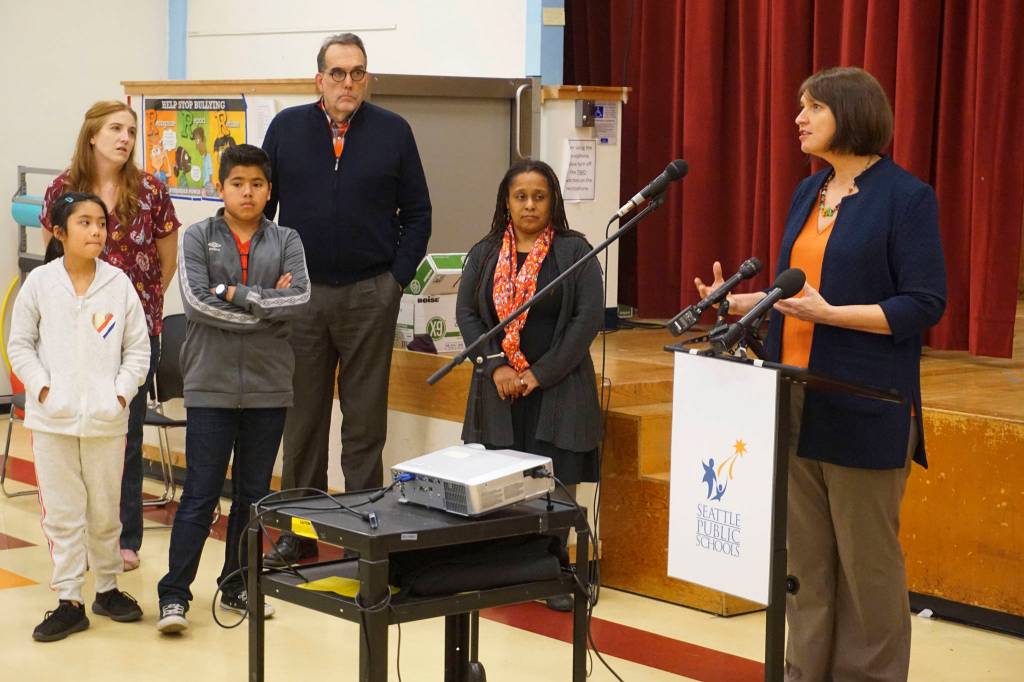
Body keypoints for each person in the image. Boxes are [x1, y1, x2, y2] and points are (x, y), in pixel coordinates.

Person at [695, 67, 946, 681]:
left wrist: (832, 315)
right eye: (799, 107)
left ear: (851, 113)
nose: (799, 119)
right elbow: (796, 288)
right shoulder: (809, 192)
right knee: (805, 562)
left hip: (863, 402)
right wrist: (739, 303)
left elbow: (924, 303)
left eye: (812, 108)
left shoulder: (906, 198)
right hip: (792, 393)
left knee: (867, 569)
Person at [261, 32, 431, 566]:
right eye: (338, 73)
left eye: (358, 72)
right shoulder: (286, 129)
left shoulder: (393, 132)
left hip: (369, 295)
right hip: (303, 298)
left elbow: (419, 213)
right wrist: (274, 279)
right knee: (304, 420)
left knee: (364, 423)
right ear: (319, 79)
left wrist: (394, 282)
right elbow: (263, 210)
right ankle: (299, 532)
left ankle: (363, 535)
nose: (348, 83)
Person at [156, 144, 310, 633]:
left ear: (269, 190)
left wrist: (238, 295)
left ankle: (238, 584)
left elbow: (300, 298)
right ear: (220, 188)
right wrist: (265, 306)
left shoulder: (287, 238)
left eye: (257, 184)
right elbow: (198, 305)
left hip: (269, 388)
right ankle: (175, 595)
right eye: (238, 183)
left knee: (252, 497)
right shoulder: (198, 237)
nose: (248, 192)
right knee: (200, 495)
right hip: (210, 386)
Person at [455, 159, 604, 611]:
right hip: (498, 387)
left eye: (539, 196)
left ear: (553, 201)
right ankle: (506, 570)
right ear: (506, 202)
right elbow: (468, 315)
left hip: (559, 386)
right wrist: (498, 366)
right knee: (501, 484)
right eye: (520, 197)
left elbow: (587, 319)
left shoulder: (574, 252)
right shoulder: (483, 253)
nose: (530, 205)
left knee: (555, 484)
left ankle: (556, 571)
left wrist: (540, 373)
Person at [41, 100, 181, 572]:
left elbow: (166, 260)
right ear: (93, 136)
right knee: (72, 437)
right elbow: (52, 265)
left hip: (133, 333)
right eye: (116, 129)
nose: (125, 138)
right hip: (74, 332)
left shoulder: (151, 192)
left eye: (131, 130)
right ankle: (74, 538)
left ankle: (123, 538)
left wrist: (133, 312)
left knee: (125, 433)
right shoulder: (62, 189)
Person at [10, 192, 151, 641]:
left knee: (106, 510)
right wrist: (46, 389)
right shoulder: (39, 284)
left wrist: (120, 396)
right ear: (60, 231)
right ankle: (69, 598)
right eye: (84, 223)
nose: (96, 232)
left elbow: (138, 350)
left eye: (101, 224)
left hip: (107, 422)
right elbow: (20, 346)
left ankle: (107, 588)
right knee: (64, 513)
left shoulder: (119, 284)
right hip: (52, 422)